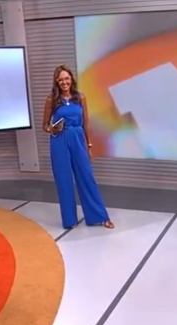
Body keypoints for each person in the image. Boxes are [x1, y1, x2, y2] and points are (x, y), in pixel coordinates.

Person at [42, 65, 114, 230]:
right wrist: (52, 129)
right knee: (63, 180)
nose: (64, 82)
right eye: (61, 80)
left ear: (71, 79)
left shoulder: (80, 98)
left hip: (78, 137)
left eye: (67, 78)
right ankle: (69, 220)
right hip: (59, 140)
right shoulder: (52, 100)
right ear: (56, 82)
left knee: (86, 177)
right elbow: (44, 125)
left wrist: (89, 145)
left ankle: (99, 217)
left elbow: (86, 124)